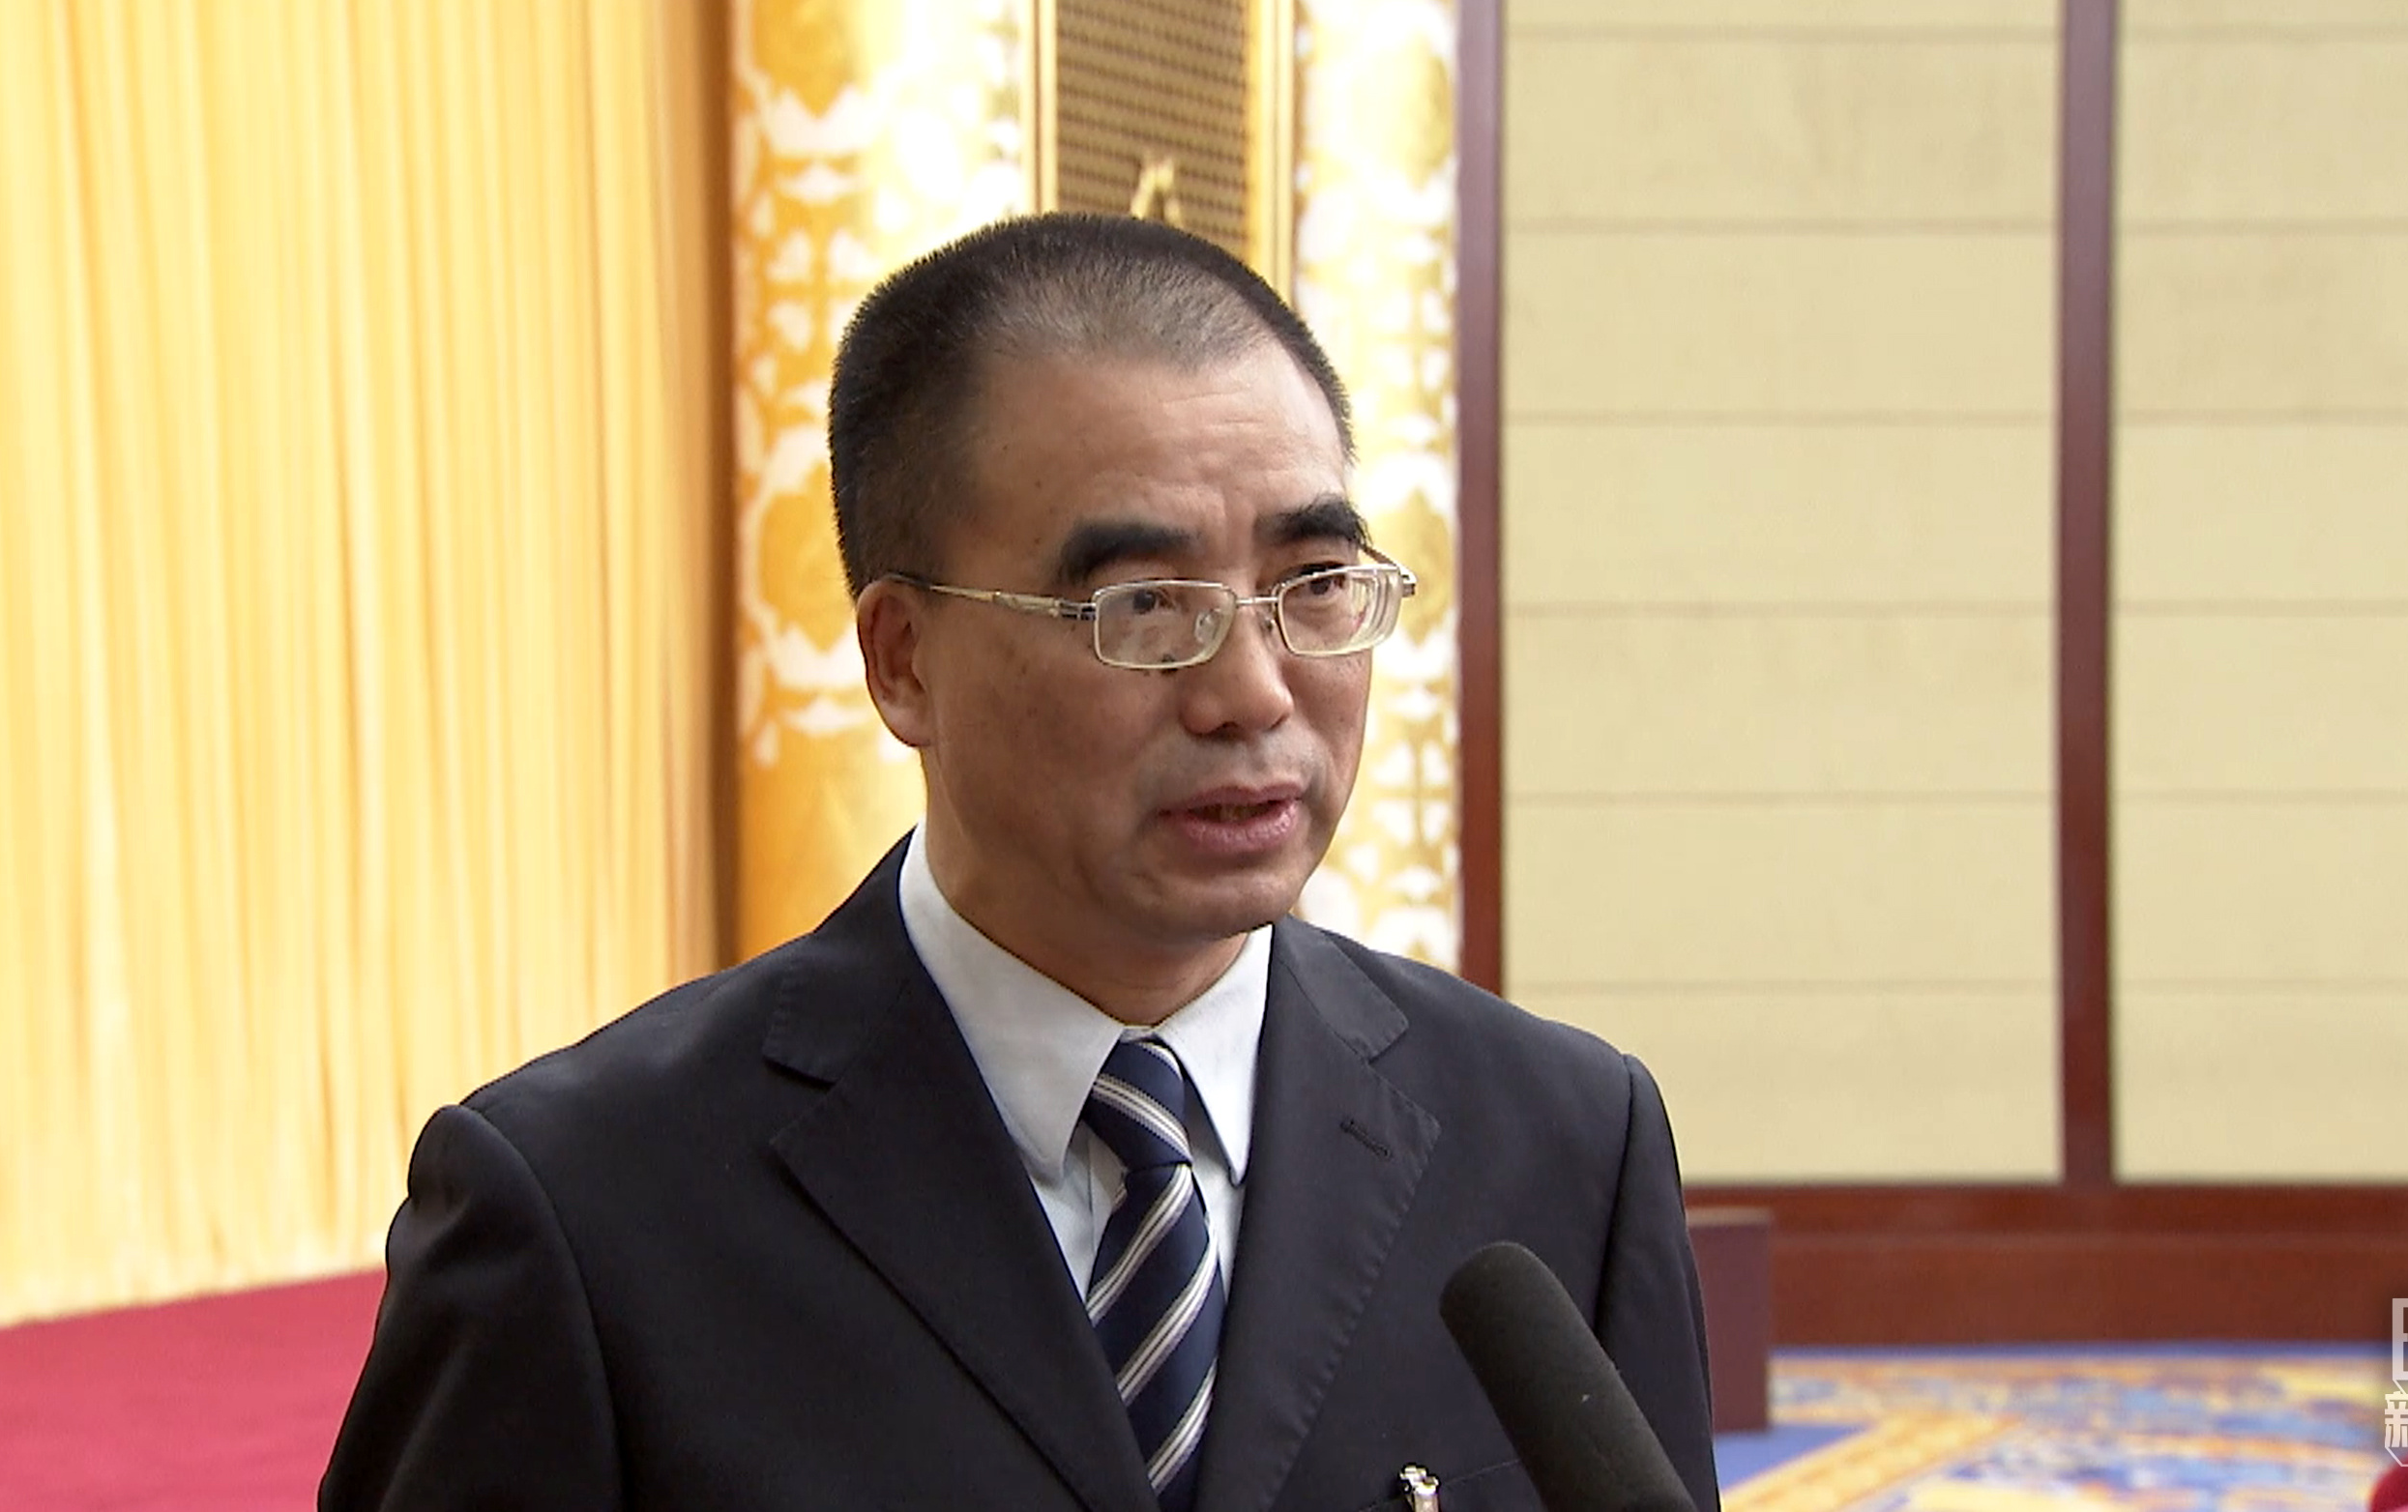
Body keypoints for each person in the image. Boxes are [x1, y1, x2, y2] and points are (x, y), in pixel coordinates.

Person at [320, 213, 1718, 1512]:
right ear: (902, 661)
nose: (1252, 692)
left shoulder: (1559, 1142)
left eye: (1311, 586)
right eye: (1142, 606)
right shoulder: (589, 1207)